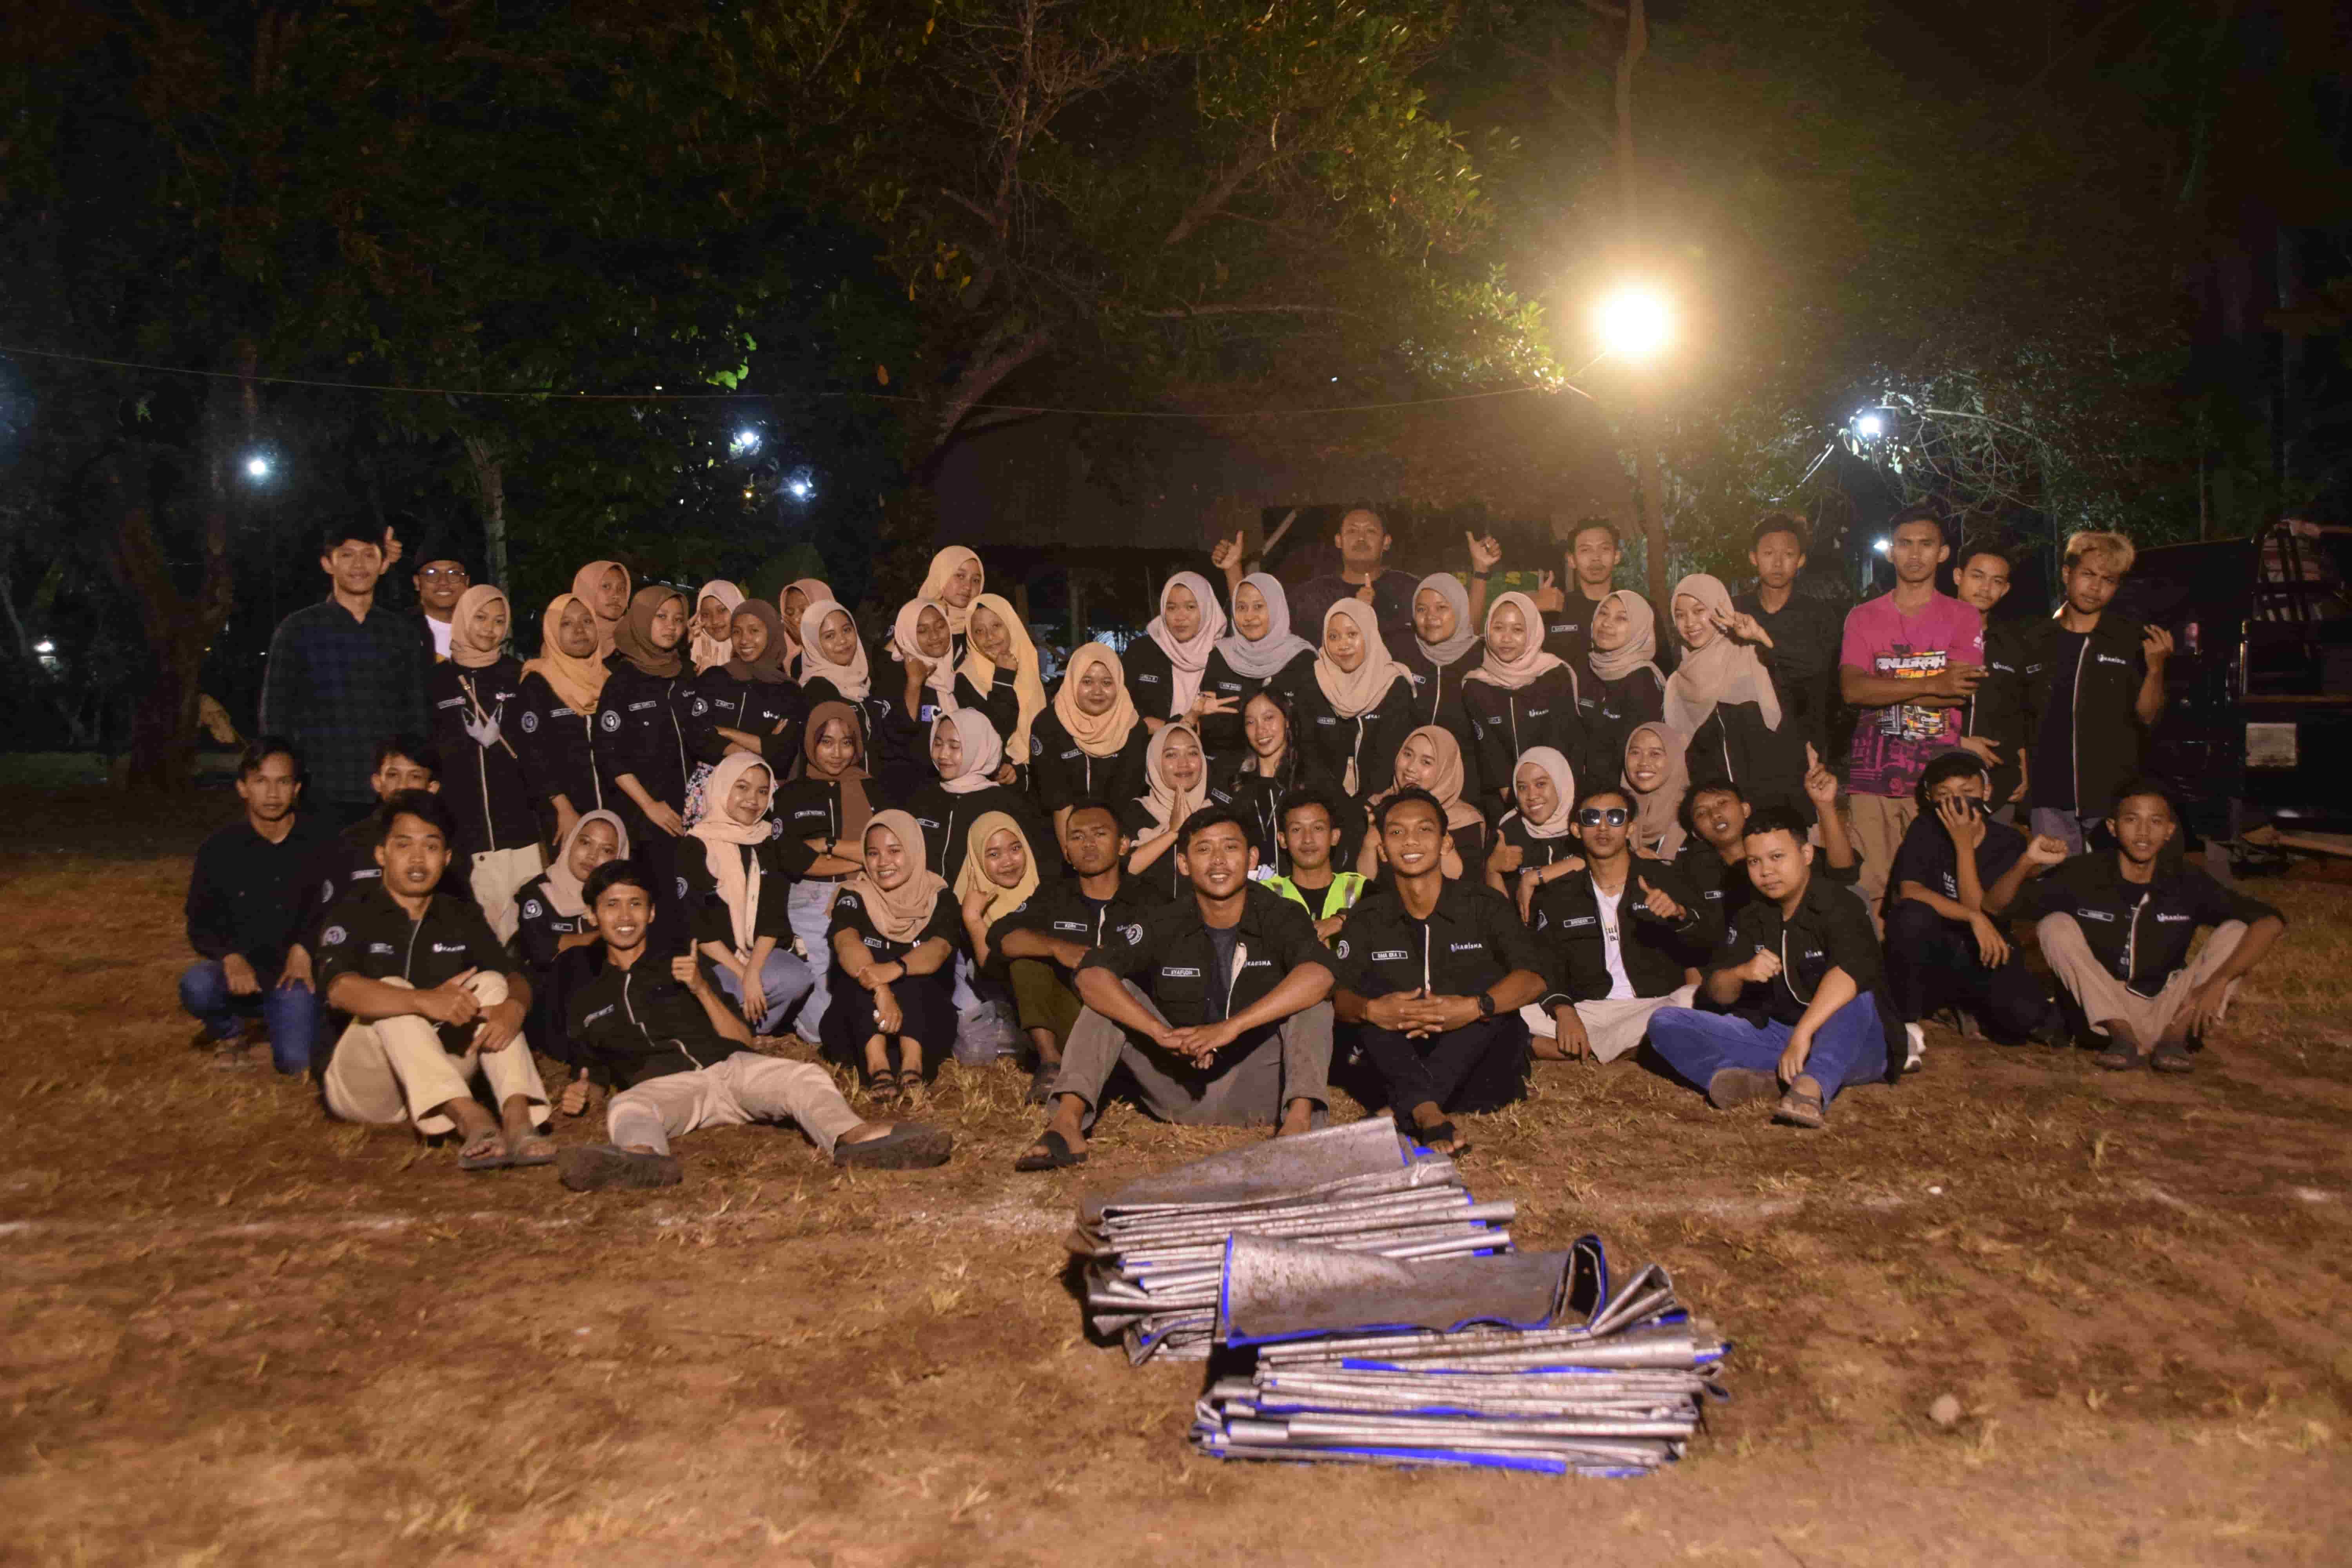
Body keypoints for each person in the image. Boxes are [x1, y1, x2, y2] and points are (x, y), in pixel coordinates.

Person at [554, 860, 951, 1191]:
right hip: (667, 1090)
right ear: (593, 915)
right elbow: (593, 1071)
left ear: (651, 912)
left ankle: (854, 1138)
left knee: (804, 1076)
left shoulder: (682, 963)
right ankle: (642, 1161)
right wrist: (583, 1092)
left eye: (636, 904)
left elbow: (741, 1038)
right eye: (612, 905)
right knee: (627, 1106)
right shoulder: (587, 994)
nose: (625, 917)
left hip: (730, 1071)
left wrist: (700, 989)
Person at [1015, 805, 1337, 1170]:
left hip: (1258, 1089)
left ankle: (1298, 1126)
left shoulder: (1281, 914)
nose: (1218, 860)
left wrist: (1231, 1028)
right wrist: (1160, 1032)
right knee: (1113, 991)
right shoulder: (1163, 919)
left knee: (1312, 999)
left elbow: (1321, 974)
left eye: (1230, 847)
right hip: (1176, 1088)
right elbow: (1091, 976)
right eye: (1204, 849)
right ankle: (1066, 1126)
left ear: (1251, 859)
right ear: (1184, 864)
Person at [315, 791, 553, 1170]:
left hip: (440, 1075)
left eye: (430, 847)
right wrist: (424, 1001)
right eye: (403, 845)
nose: (417, 858)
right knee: (395, 992)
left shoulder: (459, 914)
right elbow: (339, 990)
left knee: (493, 983)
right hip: (367, 1085)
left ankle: (517, 1119)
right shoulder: (353, 910)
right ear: (381, 854)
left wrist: (514, 1008)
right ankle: (473, 1119)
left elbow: (514, 975)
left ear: (446, 858)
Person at [1646, 807, 1893, 1130]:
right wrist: (1741, 973)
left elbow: (1851, 972)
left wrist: (1803, 1036)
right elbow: (1718, 993)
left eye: (1777, 857)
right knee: (1665, 1021)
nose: (1766, 872)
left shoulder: (1840, 903)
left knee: (1855, 996)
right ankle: (1751, 1082)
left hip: (1851, 1042)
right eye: (1754, 862)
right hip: (1780, 1037)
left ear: (1806, 854)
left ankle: (1810, 1088)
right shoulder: (1751, 915)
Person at [1332, 791, 1550, 1155]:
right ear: (1383, 849)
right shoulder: (1367, 917)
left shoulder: (1484, 905)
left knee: (1491, 991)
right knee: (1371, 997)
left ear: (1446, 842)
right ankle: (1428, 1113)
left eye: (1424, 830)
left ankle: (1407, 1108)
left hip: (1478, 1070)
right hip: (1393, 1061)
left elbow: (1534, 977)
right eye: (1397, 832)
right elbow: (1338, 996)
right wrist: (1374, 1011)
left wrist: (1472, 1007)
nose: (1411, 841)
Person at [2034, 780, 2286, 1073]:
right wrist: (2028, 862)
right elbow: (1999, 905)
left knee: (2236, 930)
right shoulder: (2084, 872)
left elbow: (2271, 921)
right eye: (2132, 820)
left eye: (2155, 822)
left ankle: (2174, 1039)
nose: (2143, 832)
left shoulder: (2185, 879)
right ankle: (2122, 1037)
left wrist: (2218, 982)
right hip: (2103, 1012)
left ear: (2169, 831)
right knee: (2054, 925)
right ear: (2113, 827)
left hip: (2168, 1009)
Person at [1835, 506, 1987, 913]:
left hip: (1938, 780)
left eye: (1926, 544)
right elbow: (1852, 690)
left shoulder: (1963, 616)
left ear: (1943, 553)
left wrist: (1883, 686)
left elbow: (1958, 693)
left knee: (1938, 892)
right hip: (1872, 779)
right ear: (1891, 552)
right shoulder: (1863, 617)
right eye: (1905, 544)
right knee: (1874, 893)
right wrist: (1933, 683)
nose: (1915, 554)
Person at [972, 803, 1169, 1102]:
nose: (1088, 844)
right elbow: (1001, 936)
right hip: (1073, 1026)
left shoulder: (1152, 899)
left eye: (1099, 834)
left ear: (1123, 845)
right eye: (1077, 837)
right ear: (1066, 852)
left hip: (1132, 1027)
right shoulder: (1054, 896)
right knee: (1026, 959)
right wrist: (1057, 948)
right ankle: (1051, 1065)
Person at [1882, 753, 2069, 1056]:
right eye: (1945, 795)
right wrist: (1972, 917)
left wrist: (1965, 846)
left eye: (1967, 791)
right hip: (1934, 952)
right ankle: (1906, 1019)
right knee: (1910, 917)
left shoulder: (2008, 840)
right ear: (1931, 799)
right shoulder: (1925, 829)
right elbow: (1910, 891)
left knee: (2023, 1021)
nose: (1956, 802)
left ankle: (1969, 1006)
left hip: (1985, 952)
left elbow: (1988, 910)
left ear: (1986, 791)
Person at [1527, 785, 1719, 1065]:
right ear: (1577, 830)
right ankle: (1629, 1047)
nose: (1603, 827)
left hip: (1653, 1005)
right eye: (1591, 818)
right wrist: (1564, 1009)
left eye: (1615, 817)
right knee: (1513, 1014)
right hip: (1589, 1009)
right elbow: (1544, 962)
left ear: (1630, 828)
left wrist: (1680, 916)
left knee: (1691, 999)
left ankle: (1574, 1048)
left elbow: (1708, 944)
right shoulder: (1559, 895)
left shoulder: (1665, 879)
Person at [180, 738, 337, 1074]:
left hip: (296, 974)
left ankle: (284, 1020)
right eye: (261, 781)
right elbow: (200, 922)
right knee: (197, 985)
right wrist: (230, 956)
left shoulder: (324, 844)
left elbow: (337, 909)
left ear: (297, 789)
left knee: (296, 1064)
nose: (272, 793)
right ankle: (230, 1030)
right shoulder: (219, 849)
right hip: (243, 973)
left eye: (283, 782)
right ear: (243, 788)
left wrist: (307, 947)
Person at [259, 522, 430, 820]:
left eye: (369, 555)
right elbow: (276, 717)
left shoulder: (401, 633)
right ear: (328, 564)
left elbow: (416, 715)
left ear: (383, 565)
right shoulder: (297, 630)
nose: (359, 565)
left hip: (387, 793)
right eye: (347, 555)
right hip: (319, 793)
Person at [2019, 532, 2173, 854]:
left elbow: (2148, 717)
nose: (2095, 587)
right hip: (2048, 795)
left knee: (2110, 881)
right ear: (2067, 574)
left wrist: (2156, 669)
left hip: (2111, 797)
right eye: (2088, 574)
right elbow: (2019, 717)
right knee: (2057, 880)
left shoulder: (2132, 640)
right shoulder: (2035, 639)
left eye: (2108, 580)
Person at [428, 584, 544, 940]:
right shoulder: (437, 682)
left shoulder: (520, 675)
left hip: (521, 837)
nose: (489, 629)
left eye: (498, 621)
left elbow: (539, 752)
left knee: (530, 940)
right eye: (480, 618)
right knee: (479, 943)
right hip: (466, 840)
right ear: (463, 618)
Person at [823, 811, 962, 1101]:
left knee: (919, 976)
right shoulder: (853, 894)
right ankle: (878, 1069)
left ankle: (913, 1067)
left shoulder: (939, 896)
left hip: (923, 1025)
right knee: (856, 979)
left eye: (895, 851)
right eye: (873, 853)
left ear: (914, 850)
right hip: (860, 1028)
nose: (883, 862)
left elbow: (939, 949)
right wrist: (881, 988)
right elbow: (846, 943)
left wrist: (895, 969)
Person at [682, 753, 818, 1036]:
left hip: (754, 958)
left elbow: (773, 917)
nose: (753, 800)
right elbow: (697, 927)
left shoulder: (768, 840)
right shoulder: (695, 845)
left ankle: (749, 1030)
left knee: (796, 977)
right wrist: (744, 975)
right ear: (722, 786)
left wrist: (753, 973)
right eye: (742, 787)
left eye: (763, 791)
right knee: (706, 998)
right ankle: (728, 1026)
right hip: (714, 963)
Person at [771, 701, 879, 1044]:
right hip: (810, 897)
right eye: (826, 742)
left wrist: (826, 844)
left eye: (846, 743)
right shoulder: (791, 794)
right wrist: (862, 859)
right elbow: (795, 860)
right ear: (811, 744)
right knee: (823, 1030)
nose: (837, 753)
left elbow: (888, 849)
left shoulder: (873, 790)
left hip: (868, 892)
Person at [1669, 573, 1810, 822]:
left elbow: (1803, 687)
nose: (1689, 623)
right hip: (1718, 818)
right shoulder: (1678, 682)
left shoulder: (1753, 656)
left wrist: (1762, 638)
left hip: (1775, 806)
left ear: (1720, 608)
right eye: (1680, 615)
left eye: (1699, 611)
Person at [1669, 758, 1861, 934]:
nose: (1715, 814)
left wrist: (1825, 806)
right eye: (1702, 813)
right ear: (1696, 833)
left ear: (1745, 810)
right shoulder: (1696, 875)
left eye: (1722, 803)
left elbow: (1844, 874)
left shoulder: (1783, 849)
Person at [513, 809, 627, 1103]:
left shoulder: (623, 897)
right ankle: (589, 1074)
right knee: (578, 961)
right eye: (585, 843)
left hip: (608, 1005)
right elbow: (541, 950)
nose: (592, 856)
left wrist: (573, 942)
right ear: (571, 843)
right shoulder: (538, 892)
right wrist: (602, 936)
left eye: (606, 850)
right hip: (553, 1014)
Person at [592, 585, 695, 911]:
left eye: (678, 619)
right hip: (644, 819)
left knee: (691, 904)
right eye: (661, 617)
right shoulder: (622, 682)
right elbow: (609, 755)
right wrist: (650, 806)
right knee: (653, 905)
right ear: (641, 619)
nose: (671, 626)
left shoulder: (687, 673)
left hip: (691, 813)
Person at [1733, 514, 1844, 760]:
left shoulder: (1820, 615)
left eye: (1789, 554)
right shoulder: (1736, 612)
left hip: (1803, 742)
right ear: (1754, 558)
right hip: (1743, 739)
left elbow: (1819, 672)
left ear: (1801, 560)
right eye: (1769, 553)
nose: (1778, 563)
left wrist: (1764, 640)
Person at [1463, 590, 1583, 817]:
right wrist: (1516, 805)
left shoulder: (1556, 675)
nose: (1506, 638)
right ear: (1487, 631)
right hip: (1504, 800)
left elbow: (1564, 743)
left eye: (1517, 630)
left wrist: (1546, 797)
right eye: (1499, 628)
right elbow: (1490, 753)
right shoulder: (1475, 685)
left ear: (1533, 632)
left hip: (1558, 793)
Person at [907, 709, 1059, 886]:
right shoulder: (922, 799)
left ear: (978, 748)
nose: (943, 755)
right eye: (938, 744)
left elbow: (1042, 866)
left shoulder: (1005, 804)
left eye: (955, 746)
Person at [684, 599, 806, 818]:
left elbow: (782, 754)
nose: (744, 640)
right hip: (709, 795)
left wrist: (725, 732)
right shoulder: (715, 678)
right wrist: (760, 746)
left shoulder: (789, 692)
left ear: (771, 632)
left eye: (754, 631)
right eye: (737, 632)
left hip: (759, 800)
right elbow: (696, 736)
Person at [799, 599, 926, 799]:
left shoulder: (861, 683)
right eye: (830, 636)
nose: (842, 641)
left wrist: (914, 683)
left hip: (871, 792)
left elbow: (891, 736)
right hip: (842, 796)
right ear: (814, 643)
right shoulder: (818, 691)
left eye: (847, 630)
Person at [1293, 599, 1416, 799]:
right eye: (1334, 637)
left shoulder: (1394, 685)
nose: (1343, 645)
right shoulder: (1312, 682)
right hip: (1323, 799)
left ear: (1369, 634)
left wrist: (1365, 806)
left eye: (1352, 635)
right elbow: (1309, 754)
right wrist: (1338, 804)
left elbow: (1390, 757)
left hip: (1379, 799)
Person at [514, 592, 611, 842]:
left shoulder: (610, 680)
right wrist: (562, 808)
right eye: (566, 623)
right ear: (551, 630)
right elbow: (531, 753)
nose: (579, 630)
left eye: (587, 621)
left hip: (616, 813)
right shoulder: (538, 683)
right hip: (565, 815)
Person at [1033, 642, 1150, 846]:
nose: (1098, 691)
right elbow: (1059, 800)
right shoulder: (1048, 725)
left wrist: (1109, 848)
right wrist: (1072, 853)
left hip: (1117, 828)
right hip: (1059, 832)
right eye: (1087, 681)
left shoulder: (1132, 727)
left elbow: (1125, 796)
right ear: (1073, 681)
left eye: (1107, 683)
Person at [1197, 572, 1318, 759]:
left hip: (1288, 768)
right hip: (1225, 767)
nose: (1249, 616)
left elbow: (1310, 732)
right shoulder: (1221, 655)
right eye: (1241, 607)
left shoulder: (1302, 658)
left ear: (1276, 608)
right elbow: (1207, 724)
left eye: (1258, 607)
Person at [1532, 519, 1677, 675]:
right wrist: (1534, 610)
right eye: (1585, 550)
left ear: (1617, 556)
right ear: (1572, 560)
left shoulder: (1641, 609)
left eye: (1604, 549)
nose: (1596, 558)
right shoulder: (1553, 608)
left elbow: (1664, 673)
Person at [1394, 570, 1488, 802]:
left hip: (1467, 788)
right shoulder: (1400, 650)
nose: (1431, 617)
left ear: (1459, 609)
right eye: (1422, 609)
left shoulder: (1484, 657)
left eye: (1442, 608)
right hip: (1407, 781)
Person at [1951, 534, 2028, 815]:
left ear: (2005, 589)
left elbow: (2018, 713)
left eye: (1997, 581)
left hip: (1997, 782)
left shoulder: (2012, 644)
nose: (1986, 588)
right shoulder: (1930, 633)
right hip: (1940, 770)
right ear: (1958, 576)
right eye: (1978, 576)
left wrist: (2024, 770)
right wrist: (1959, 742)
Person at [1211, 686, 1317, 875]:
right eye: (1251, 722)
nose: (1260, 730)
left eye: (1269, 718)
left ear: (1287, 720)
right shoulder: (1232, 780)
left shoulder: (1312, 779)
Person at [1358, 726, 1488, 877]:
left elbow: (1467, 883)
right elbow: (1356, 884)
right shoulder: (1374, 809)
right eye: (1408, 755)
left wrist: (1442, 838)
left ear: (1445, 769)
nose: (1411, 768)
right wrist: (1369, 844)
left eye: (1426, 762)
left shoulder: (1465, 820)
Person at [1287, 506, 1420, 654]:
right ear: (1339, 541)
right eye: (1352, 531)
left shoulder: (1412, 592)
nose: (1361, 538)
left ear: (1386, 542)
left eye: (1371, 531)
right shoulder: (1308, 599)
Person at [1577, 588, 1668, 791]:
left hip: (1624, 793)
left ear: (1638, 628)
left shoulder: (1642, 681)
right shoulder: (1589, 667)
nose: (1607, 623)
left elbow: (1638, 760)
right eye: (1603, 614)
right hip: (1588, 788)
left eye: (1621, 618)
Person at [953, 591, 1047, 777]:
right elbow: (993, 732)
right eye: (979, 631)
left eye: (996, 626)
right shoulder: (965, 679)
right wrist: (1003, 677)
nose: (990, 636)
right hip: (1001, 775)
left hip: (1040, 770)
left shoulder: (1028, 662)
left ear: (1011, 625)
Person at [1258, 785, 1368, 941]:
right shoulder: (1266, 894)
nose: (1308, 839)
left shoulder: (1360, 888)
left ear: (1335, 837)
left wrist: (1343, 919)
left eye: (1318, 828)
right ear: (1282, 840)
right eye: (1297, 830)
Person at [1125, 572, 1230, 732]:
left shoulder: (1227, 656)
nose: (1180, 617)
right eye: (1172, 608)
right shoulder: (1140, 652)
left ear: (1207, 608)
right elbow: (1121, 712)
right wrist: (1176, 728)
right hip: (1147, 747)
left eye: (1191, 607)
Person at [1485, 746, 1581, 921]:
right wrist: (1493, 870)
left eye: (1541, 784)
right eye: (1522, 788)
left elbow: (1605, 861)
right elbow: (1499, 916)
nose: (1531, 796)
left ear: (1560, 782)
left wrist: (1536, 877)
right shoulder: (1507, 830)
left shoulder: (1583, 820)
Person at [1122, 721, 1213, 900]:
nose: (1184, 763)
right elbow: (1122, 870)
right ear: (1155, 762)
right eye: (1171, 755)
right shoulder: (1136, 812)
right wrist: (1173, 832)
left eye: (1193, 753)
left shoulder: (1214, 815)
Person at [888, 597, 961, 731]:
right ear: (908, 636)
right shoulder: (894, 676)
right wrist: (914, 684)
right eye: (922, 631)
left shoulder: (962, 664)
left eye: (940, 626)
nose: (934, 636)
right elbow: (899, 733)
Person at [1622, 722, 1692, 858]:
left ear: (1675, 759)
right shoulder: (1612, 817)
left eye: (1655, 754)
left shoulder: (1696, 816)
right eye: (1635, 752)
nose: (1644, 762)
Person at [916, 546, 986, 662]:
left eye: (976, 581)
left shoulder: (983, 630)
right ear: (940, 575)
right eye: (960, 576)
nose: (968, 587)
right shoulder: (911, 621)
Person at [410, 546, 471, 661]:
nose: (443, 582)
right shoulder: (398, 632)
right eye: (432, 573)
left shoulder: (485, 630)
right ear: (417, 582)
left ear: (467, 582)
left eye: (454, 573)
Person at [570, 560, 633, 658]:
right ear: (587, 589)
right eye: (606, 587)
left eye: (622, 589)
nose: (616, 596)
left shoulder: (637, 642)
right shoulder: (561, 640)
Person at [776, 575, 833, 680]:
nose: (796, 619)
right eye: (790, 613)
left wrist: (806, 642)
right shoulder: (792, 659)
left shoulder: (842, 645)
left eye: (804, 611)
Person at [686, 579, 745, 674]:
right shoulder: (693, 648)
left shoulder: (754, 650)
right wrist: (680, 644)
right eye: (706, 614)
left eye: (722, 610)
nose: (715, 621)